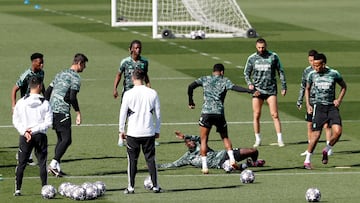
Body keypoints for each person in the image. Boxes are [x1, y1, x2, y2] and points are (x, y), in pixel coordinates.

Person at [188, 63, 260, 174]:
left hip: (206, 113)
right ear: (222, 72)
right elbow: (236, 88)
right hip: (219, 113)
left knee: (203, 139)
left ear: (213, 71)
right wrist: (250, 91)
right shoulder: (225, 80)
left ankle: (205, 167)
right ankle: (232, 159)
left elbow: (190, 86)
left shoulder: (205, 79)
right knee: (225, 137)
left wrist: (191, 101)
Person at [45, 53, 88, 177]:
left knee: (60, 139)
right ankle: (53, 163)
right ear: (79, 63)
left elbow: (48, 92)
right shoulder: (76, 78)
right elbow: (72, 97)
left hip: (52, 111)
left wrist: (46, 108)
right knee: (67, 139)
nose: (84, 68)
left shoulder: (60, 73)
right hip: (62, 111)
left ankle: (56, 166)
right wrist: (78, 112)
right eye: (84, 65)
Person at [119, 68, 161, 194]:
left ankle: (131, 187)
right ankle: (155, 186)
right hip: (148, 132)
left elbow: (123, 113)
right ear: (144, 78)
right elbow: (158, 114)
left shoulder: (128, 94)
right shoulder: (153, 93)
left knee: (132, 160)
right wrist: (157, 130)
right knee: (151, 160)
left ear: (133, 78)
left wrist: (121, 129)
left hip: (133, 133)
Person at [303, 53, 346, 169]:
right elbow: (307, 89)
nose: (315, 67)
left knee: (338, 132)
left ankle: (326, 149)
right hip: (319, 107)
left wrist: (339, 100)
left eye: (317, 65)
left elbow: (344, 86)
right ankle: (307, 160)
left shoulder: (333, 73)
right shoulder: (312, 75)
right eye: (314, 65)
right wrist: (308, 105)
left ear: (323, 64)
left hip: (332, 107)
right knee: (316, 135)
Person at [12, 76, 53, 196]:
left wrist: (26, 132)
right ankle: (44, 188)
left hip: (25, 137)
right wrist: (34, 130)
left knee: (21, 163)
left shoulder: (21, 102)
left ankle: (18, 190)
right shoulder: (45, 103)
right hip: (40, 136)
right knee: (42, 162)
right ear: (39, 86)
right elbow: (48, 123)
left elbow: (15, 120)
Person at [243, 38, 287, 147]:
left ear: (266, 46)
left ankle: (280, 139)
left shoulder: (273, 56)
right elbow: (246, 73)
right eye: (259, 47)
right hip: (257, 90)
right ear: (256, 47)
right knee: (256, 114)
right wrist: (250, 84)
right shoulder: (252, 58)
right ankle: (257, 139)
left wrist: (284, 86)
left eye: (262, 47)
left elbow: (280, 71)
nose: (261, 49)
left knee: (274, 114)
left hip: (271, 89)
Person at [158, 131, 265, 172]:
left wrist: (185, 136)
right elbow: (173, 164)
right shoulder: (187, 158)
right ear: (186, 145)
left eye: (191, 140)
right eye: (188, 141)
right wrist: (156, 166)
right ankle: (245, 165)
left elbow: (200, 138)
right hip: (220, 164)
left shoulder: (201, 145)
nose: (190, 142)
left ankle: (253, 162)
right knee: (229, 168)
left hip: (225, 154)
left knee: (253, 151)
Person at [113, 40, 152, 146]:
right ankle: (121, 135)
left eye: (139, 48)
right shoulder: (125, 62)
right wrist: (115, 88)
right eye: (136, 48)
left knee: (143, 111)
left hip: (140, 91)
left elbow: (146, 75)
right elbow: (119, 75)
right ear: (130, 49)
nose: (138, 50)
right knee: (125, 113)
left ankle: (147, 135)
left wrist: (149, 86)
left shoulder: (144, 62)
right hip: (128, 91)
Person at [11, 52, 45, 166]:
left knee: (33, 128)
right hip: (26, 105)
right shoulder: (26, 75)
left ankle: (25, 155)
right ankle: (25, 155)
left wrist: (45, 98)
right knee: (29, 129)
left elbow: (42, 85)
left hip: (36, 104)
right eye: (40, 63)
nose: (42, 65)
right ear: (34, 62)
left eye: (43, 62)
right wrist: (14, 105)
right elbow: (14, 89)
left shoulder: (41, 72)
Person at [297, 50, 332, 156]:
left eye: (313, 60)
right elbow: (303, 86)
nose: (312, 63)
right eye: (310, 61)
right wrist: (300, 100)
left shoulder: (328, 71)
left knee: (326, 125)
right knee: (310, 125)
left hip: (323, 101)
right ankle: (309, 149)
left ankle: (328, 147)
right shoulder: (307, 71)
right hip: (311, 101)